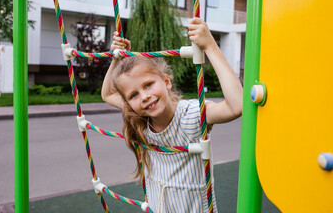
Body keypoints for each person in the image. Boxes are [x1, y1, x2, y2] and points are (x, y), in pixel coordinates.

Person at [101, 17, 243, 213]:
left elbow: (236, 106)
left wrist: (210, 45)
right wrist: (117, 59)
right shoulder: (141, 121)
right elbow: (108, 93)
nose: (144, 96)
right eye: (134, 95)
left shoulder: (192, 114)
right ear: (128, 103)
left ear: (166, 81)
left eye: (148, 85)